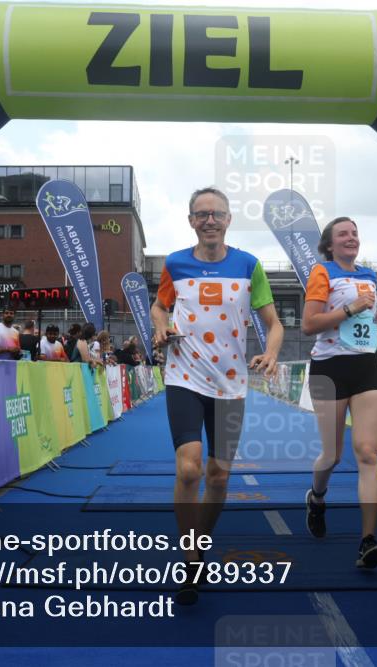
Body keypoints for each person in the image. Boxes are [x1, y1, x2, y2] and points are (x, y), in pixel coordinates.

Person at [151, 186, 283, 605]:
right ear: (191, 220)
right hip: (184, 375)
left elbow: (274, 323)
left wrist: (272, 352)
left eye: (217, 214)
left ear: (228, 220)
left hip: (231, 383)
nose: (209, 220)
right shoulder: (175, 263)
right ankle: (191, 558)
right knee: (189, 470)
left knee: (219, 476)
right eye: (201, 214)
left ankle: (199, 542)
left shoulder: (249, 266)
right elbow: (159, 307)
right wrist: (159, 328)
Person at [300, 217, 377, 569]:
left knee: (368, 452)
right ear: (329, 243)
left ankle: (367, 541)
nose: (351, 237)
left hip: (366, 366)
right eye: (343, 233)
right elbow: (310, 324)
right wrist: (350, 308)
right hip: (329, 369)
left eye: (355, 233)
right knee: (332, 455)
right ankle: (317, 496)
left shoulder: (369, 275)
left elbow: (362, 322)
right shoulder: (321, 272)